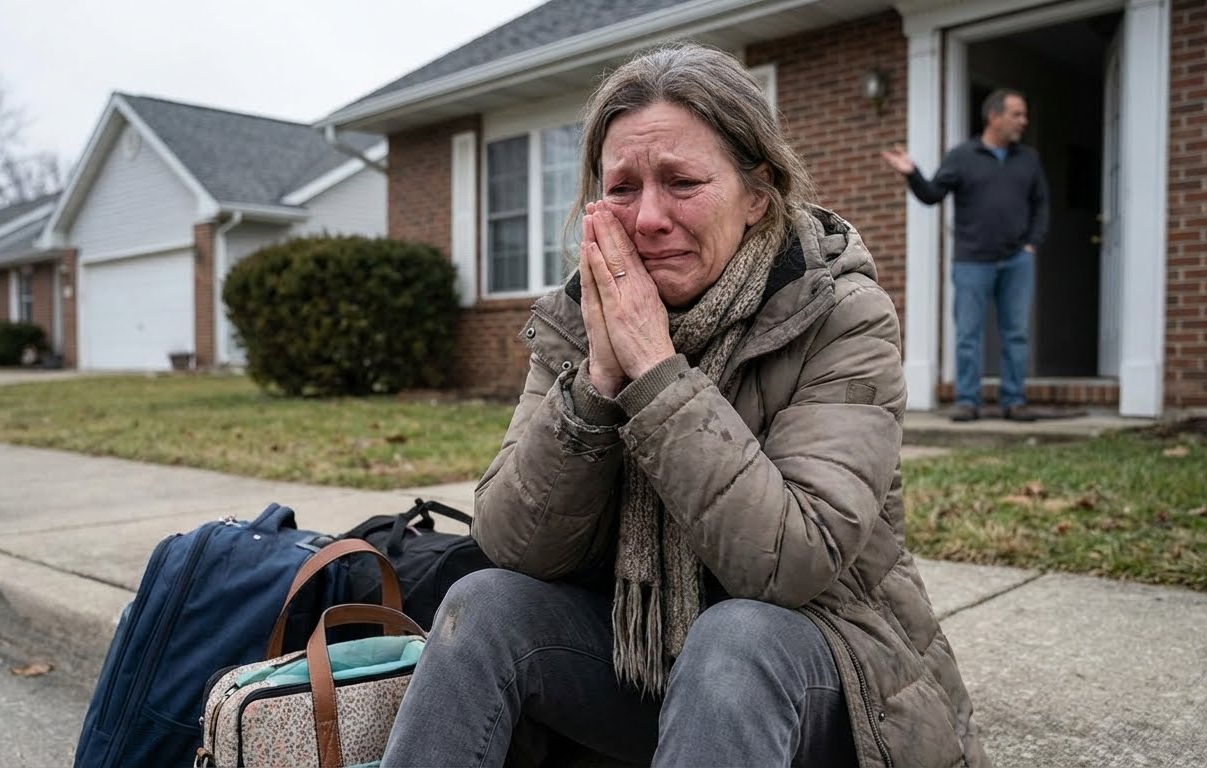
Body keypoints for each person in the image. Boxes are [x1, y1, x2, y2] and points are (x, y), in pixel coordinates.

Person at [382, 43, 988, 768]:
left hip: (830, 681)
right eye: (623, 187)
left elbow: (791, 565)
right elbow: (514, 543)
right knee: (482, 606)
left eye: (680, 182)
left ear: (756, 192)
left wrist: (653, 372)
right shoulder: (580, 321)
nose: (646, 218)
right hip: (649, 669)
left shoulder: (840, 313)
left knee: (734, 637)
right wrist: (597, 380)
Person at [882, 89, 1049, 422]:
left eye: (1023, 114)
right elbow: (931, 194)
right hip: (972, 260)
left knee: (1016, 333)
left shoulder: (1028, 159)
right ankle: (967, 401)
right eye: (1016, 114)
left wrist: (1032, 242)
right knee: (968, 334)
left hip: (1017, 259)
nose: (1023, 121)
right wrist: (911, 172)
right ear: (994, 116)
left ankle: (1014, 401)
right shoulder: (962, 156)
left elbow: (1041, 203)